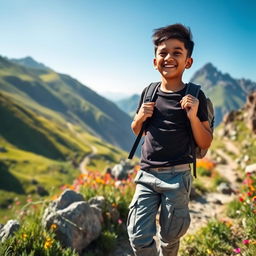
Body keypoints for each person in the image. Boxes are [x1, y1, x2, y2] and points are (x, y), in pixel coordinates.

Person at [127, 24, 213, 256]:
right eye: (163, 52)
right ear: (155, 61)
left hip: (178, 176)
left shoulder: (195, 96)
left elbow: (205, 142)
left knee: (170, 236)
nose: (169, 57)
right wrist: (140, 117)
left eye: (177, 52)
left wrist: (193, 116)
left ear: (188, 62)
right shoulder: (149, 92)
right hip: (146, 175)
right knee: (137, 235)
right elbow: (138, 131)